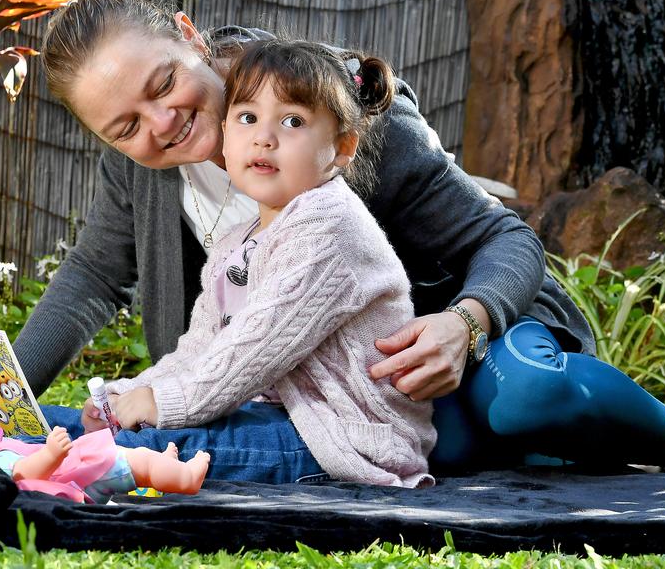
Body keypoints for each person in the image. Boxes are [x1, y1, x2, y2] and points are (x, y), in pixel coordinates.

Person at [13, 0, 665, 482]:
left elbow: (509, 240)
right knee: (469, 451)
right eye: (126, 127)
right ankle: (581, 440)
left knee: (524, 397)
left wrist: (464, 324)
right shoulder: (143, 171)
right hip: (353, 401)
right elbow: (87, 285)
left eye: (161, 86)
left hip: (468, 356)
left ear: (188, 36)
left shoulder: (333, 107)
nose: (161, 123)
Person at [89, 40, 435, 486]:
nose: (264, 136)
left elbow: (253, 352)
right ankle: (23, 439)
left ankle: (35, 457)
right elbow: (202, 347)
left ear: (342, 147)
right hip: (277, 414)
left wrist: (162, 404)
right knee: (83, 428)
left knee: (155, 448)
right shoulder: (239, 240)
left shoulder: (329, 224)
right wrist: (125, 394)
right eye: (247, 118)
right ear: (227, 129)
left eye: (293, 122)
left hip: (344, 435)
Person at [0, 418, 211, 503]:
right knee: (137, 461)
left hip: (77, 470)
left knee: (143, 464)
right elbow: (20, 474)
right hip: (84, 467)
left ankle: (166, 468)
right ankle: (184, 478)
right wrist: (51, 454)